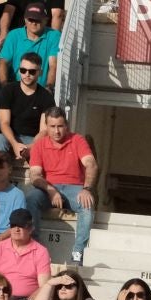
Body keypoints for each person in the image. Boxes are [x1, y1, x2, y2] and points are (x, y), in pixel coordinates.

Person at [22, 104, 94, 265]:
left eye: (60, 126)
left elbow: (91, 164)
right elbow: (35, 176)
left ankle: (78, 253)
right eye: (52, 126)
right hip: (48, 187)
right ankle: (35, 248)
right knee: (31, 199)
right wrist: (51, 190)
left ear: (66, 125)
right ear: (46, 127)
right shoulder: (39, 145)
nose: (56, 131)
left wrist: (87, 188)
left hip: (74, 188)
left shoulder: (77, 140)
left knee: (87, 205)